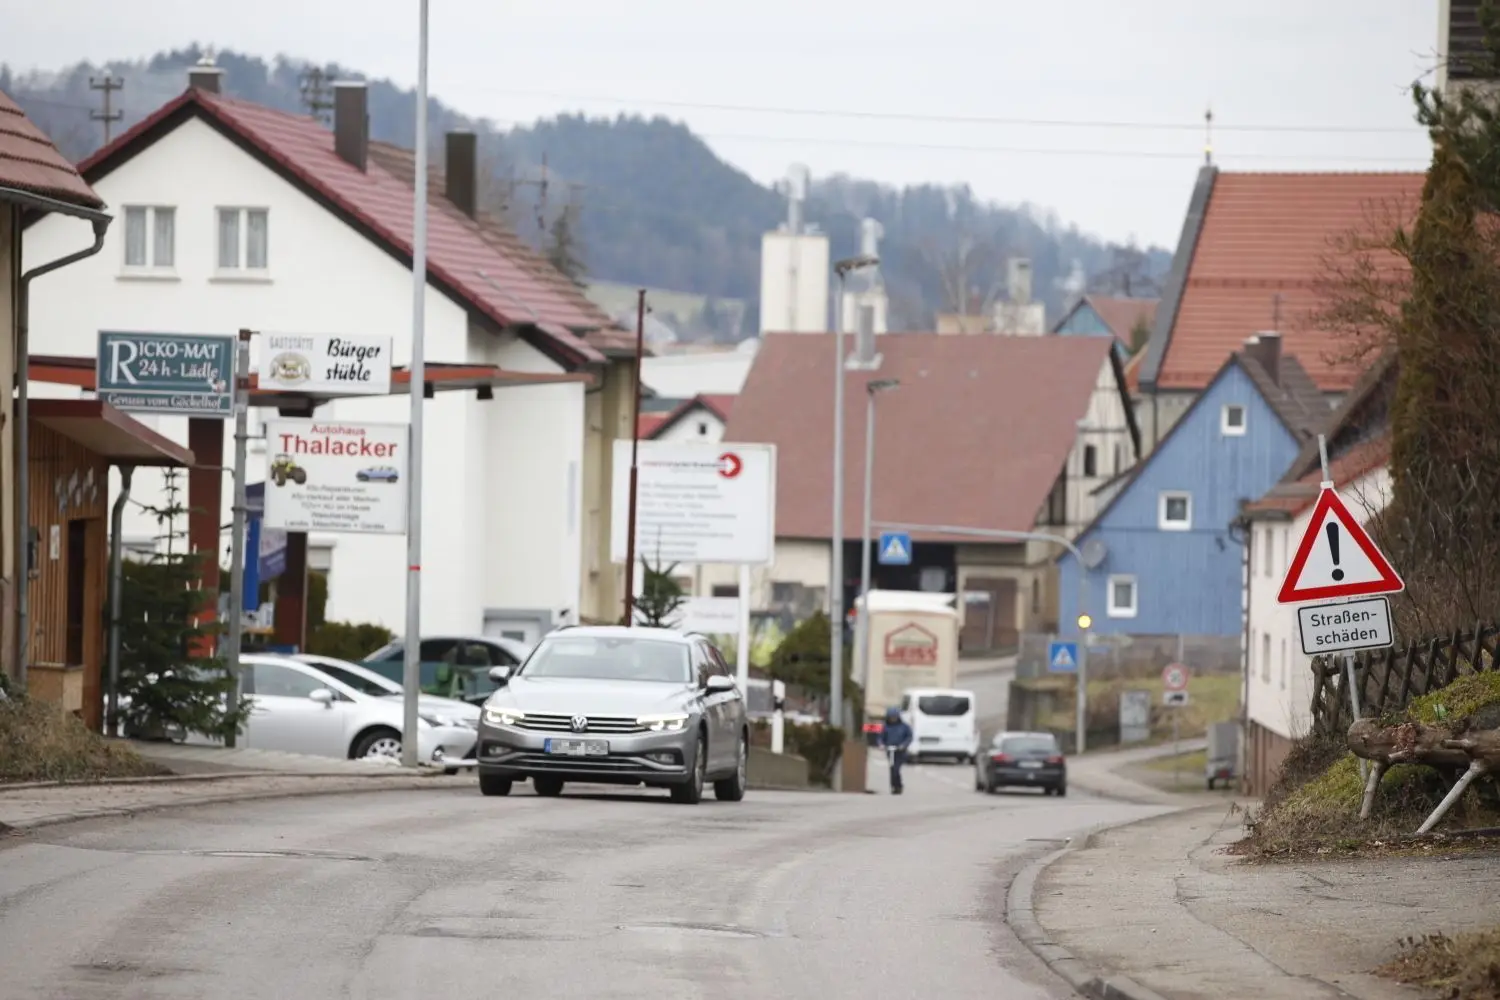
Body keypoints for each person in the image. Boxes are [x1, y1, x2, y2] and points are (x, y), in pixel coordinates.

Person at [881, 706, 912, 795]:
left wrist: (903, 745)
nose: (893, 719)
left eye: (894, 717)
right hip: (890, 750)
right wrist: (881, 744)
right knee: (892, 768)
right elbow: (881, 737)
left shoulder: (904, 727)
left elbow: (909, 737)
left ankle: (898, 785)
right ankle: (894, 786)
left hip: (900, 752)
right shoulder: (885, 727)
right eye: (891, 717)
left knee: (896, 769)